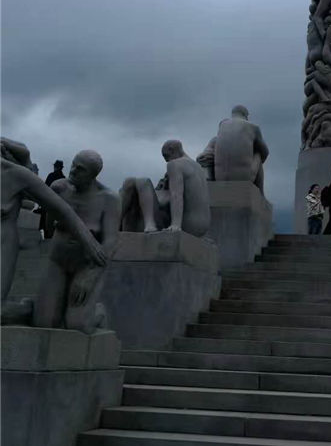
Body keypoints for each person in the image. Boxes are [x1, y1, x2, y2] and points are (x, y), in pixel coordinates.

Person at [33, 150, 120, 333]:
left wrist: (90, 276)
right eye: (73, 165)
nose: (73, 171)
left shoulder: (108, 199)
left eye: (80, 169)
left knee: (77, 325)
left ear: (93, 175)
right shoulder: (59, 188)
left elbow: (111, 241)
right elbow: (49, 224)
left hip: (86, 265)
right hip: (58, 260)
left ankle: (98, 313)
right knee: (44, 322)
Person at [120, 140, 210, 237]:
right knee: (133, 183)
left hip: (186, 225)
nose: (166, 160)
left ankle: (149, 224)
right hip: (202, 227)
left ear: (172, 150)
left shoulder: (175, 165)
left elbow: (176, 195)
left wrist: (175, 225)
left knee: (140, 181)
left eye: (166, 156)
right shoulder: (198, 168)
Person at [39, 159, 66, 238]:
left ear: (56, 167)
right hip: (58, 205)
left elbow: (45, 188)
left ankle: (47, 237)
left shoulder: (51, 175)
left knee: (45, 223)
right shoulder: (64, 179)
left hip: (48, 202)